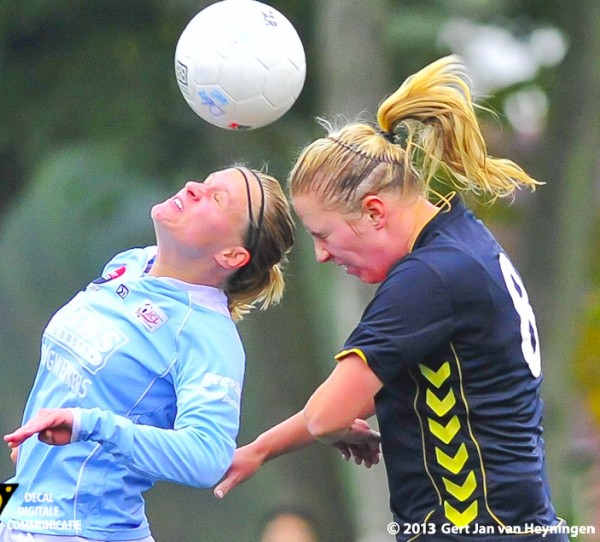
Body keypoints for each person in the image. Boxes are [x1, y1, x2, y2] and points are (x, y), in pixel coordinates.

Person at [213, 56, 570, 541]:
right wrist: (261, 449)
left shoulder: (428, 278)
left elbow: (327, 414)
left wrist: (337, 426)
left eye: (324, 235)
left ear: (374, 212)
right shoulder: (462, 243)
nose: (320, 255)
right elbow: (346, 405)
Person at [0, 166, 296, 542]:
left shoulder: (207, 335)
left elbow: (208, 456)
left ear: (232, 255)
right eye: (205, 182)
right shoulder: (134, 263)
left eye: (217, 198)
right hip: (22, 515)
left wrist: (90, 424)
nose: (192, 187)